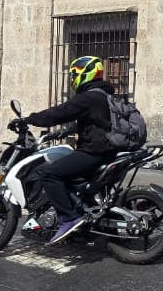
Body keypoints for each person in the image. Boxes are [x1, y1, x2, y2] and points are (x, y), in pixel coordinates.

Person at [16, 55, 118, 244]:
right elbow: (91, 124)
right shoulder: (105, 95)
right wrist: (61, 133)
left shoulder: (87, 97)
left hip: (94, 152)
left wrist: (29, 119)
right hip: (108, 151)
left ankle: (69, 218)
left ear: (86, 73)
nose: (73, 77)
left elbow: (59, 113)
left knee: (48, 173)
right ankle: (83, 215)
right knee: (69, 175)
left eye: (75, 73)